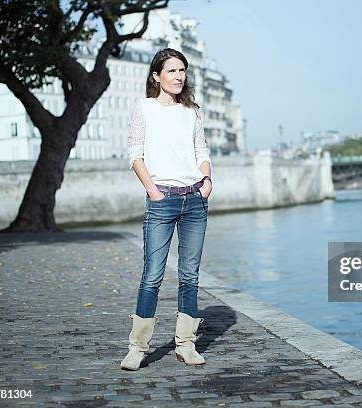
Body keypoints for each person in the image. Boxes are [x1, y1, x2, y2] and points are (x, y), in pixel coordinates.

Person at [120, 48, 212, 370]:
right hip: (162, 201)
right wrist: (153, 191)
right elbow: (135, 154)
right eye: (172, 71)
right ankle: (137, 347)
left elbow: (201, 150)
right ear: (156, 76)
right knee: (152, 275)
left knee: (190, 276)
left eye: (182, 71)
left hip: (194, 201)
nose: (178, 76)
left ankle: (186, 345)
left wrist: (207, 180)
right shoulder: (143, 109)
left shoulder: (192, 112)